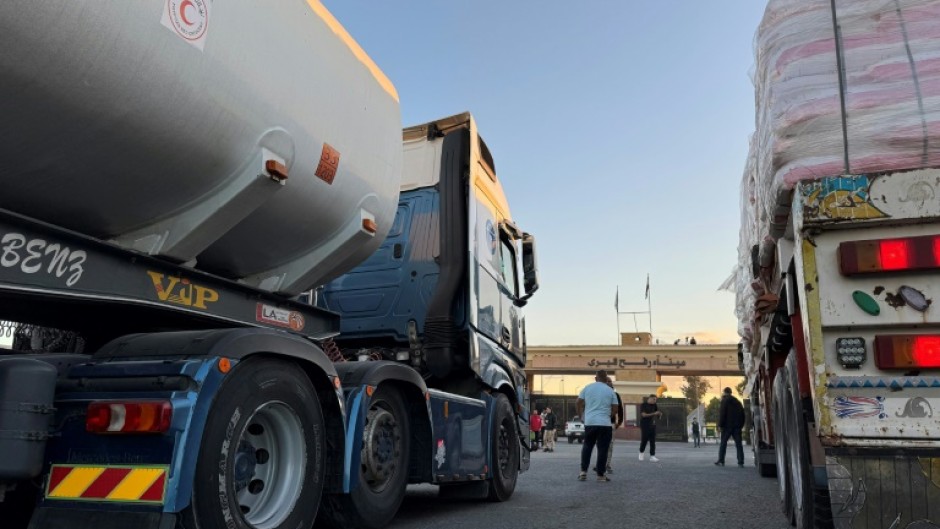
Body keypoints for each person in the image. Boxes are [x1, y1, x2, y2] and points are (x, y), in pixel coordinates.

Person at [577, 370, 619, 482]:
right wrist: (609, 415)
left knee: (587, 446)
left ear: (596, 378)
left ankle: (583, 472)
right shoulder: (610, 391)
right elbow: (616, 407)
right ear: (606, 379)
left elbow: (578, 402)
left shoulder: (587, 388)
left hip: (590, 422)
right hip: (605, 424)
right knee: (603, 449)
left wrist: (581, 415)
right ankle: (600, 475)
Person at [715, 387, 746, 467]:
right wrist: (741, 425)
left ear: (725, 392)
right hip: (737, 427)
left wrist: (720, 425)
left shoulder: (724, 401)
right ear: (731, 392)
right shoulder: (737, 402)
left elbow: (722, 414)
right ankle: (740, 462)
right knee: (738, 444)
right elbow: (743, 414)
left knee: (723, 443)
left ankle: (721, 460)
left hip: (727, 427)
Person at [638, 394, 661, 462]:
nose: (655, 401)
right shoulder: (643, 405)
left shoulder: (655, 405)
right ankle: (641, 453)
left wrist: (659, 414)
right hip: (645, 425)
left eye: (656, 400)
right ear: (650, 398)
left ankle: (652, 456)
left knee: (653, 441)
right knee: (644, 440)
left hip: (652, 425)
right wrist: (654, 414)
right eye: (654, 399)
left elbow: (657, 416)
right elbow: (643, 415)